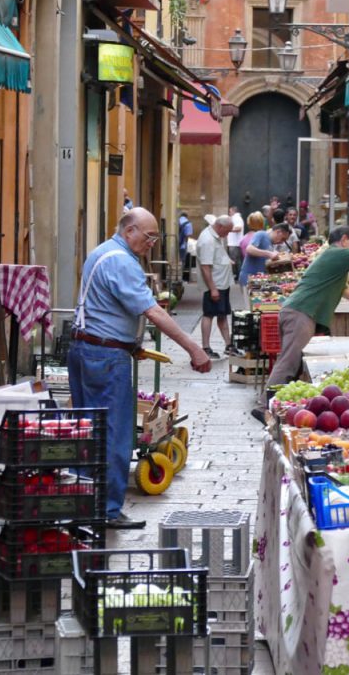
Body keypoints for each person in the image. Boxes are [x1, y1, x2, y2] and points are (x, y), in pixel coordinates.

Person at [68, 207, 211, 529]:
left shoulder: (102, 253)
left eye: (156, 238)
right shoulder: (121, 261)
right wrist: (194, 348)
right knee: (115, 432)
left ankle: (79, 502)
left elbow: (104, 307)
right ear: (129, 230)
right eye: (148, 237)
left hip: (86, 349)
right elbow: (153, 313)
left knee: (87, 428)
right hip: (104, 358)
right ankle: (107, 510)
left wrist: (130, 344)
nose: (152, 244)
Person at [257, 226, 349, 421]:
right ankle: (263, 408)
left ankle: (277, 408)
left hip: (298, 312)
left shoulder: (334, 259)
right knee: (288, 363)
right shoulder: (338, 253)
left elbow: (345, 290)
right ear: (344, 240)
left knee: (291, 363)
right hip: (301, 313)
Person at [197, 215, 236, 359]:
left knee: (222, 314)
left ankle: (228, 345)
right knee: (209, 314)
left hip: (222, 283)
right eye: (227, 230)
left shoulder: (216, 235)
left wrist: (227, 260)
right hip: (215, 284)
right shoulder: (207, 240)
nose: (228, 234)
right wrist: (212, 288)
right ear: (220, 227)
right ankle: (205, 347)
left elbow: (216, 256)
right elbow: (205, 267)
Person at [239, 222, 292, 287]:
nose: (282, 242)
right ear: (278, 232)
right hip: (248, 278)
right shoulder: (261, 234)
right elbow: (249, 249)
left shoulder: (271, 244)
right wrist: (269, 254)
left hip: (258, 279)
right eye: (283, 239)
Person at [226, 206, 245, 281]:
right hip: (234, 243)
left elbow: (238, 228)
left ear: (234, 211)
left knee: (235, 261)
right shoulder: (235, 218)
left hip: (235, 243)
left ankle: (238, 276)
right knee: (236, 261)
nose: (229, 213)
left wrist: (228, 229)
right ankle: (238, 275)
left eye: (230, 211)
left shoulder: (236, 218)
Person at [178, 210, 194, 282]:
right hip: (183, 245)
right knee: (182, 261)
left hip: (176, 243)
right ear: (187, 216)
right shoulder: (188, 223)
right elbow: (188, 235)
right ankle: (181, 277)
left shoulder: (177, 221)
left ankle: (178, 275)